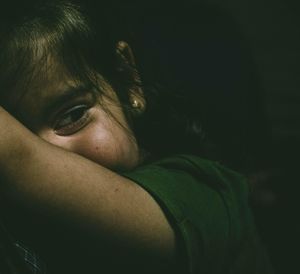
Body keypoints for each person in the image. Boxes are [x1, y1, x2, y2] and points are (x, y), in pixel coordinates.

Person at [0, 0, 272, 273]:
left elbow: (18, 160)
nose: (51, 158)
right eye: (23, 132)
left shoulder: (203, 194)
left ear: (128, 79)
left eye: (72, 116)